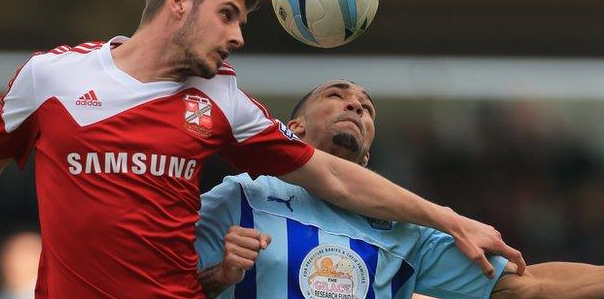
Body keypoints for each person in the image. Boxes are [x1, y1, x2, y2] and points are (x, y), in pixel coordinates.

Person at [0, 0, 523, 298]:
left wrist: (449, 219)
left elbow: (332, 176)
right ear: (178, 2)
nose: (239, 36)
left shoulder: (224, 101)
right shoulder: (49, 77)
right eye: (228, 14)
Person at [195, 79, 604, 299]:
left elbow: (526, 287)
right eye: (335, 96)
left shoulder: (403, 229)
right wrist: (217, 278)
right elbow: (151, 283)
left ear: (368, 157)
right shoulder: (237, 198)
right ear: (293, 128)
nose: (354, 105)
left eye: (366, 108)